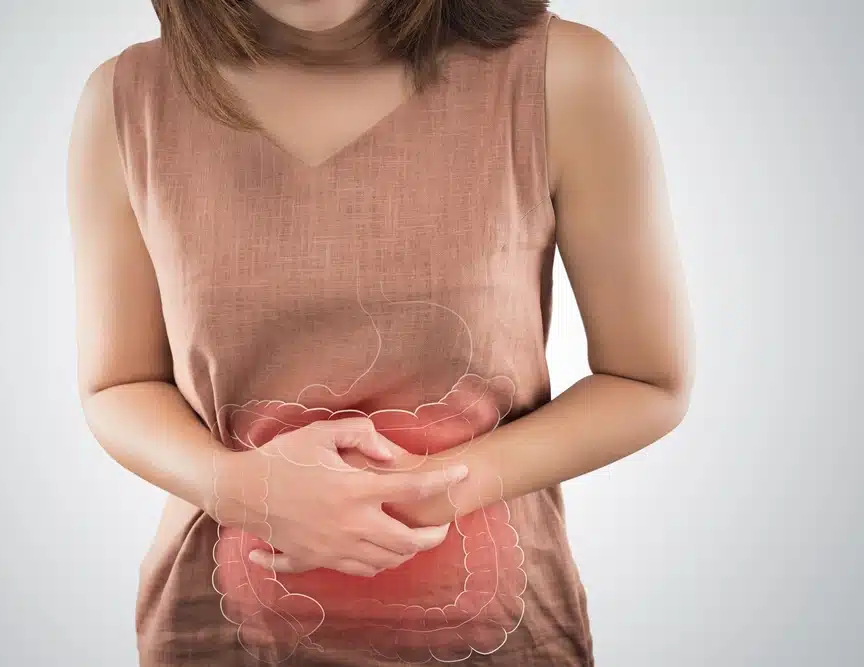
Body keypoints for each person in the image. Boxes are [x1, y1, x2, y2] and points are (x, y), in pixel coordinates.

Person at [66, 0, 693, 664]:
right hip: (213, 631)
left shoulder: (565, 75)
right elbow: (118, 382)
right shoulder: (126, 102)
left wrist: (437, 488)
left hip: (505, 637)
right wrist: (234, 487)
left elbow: (648, 378)